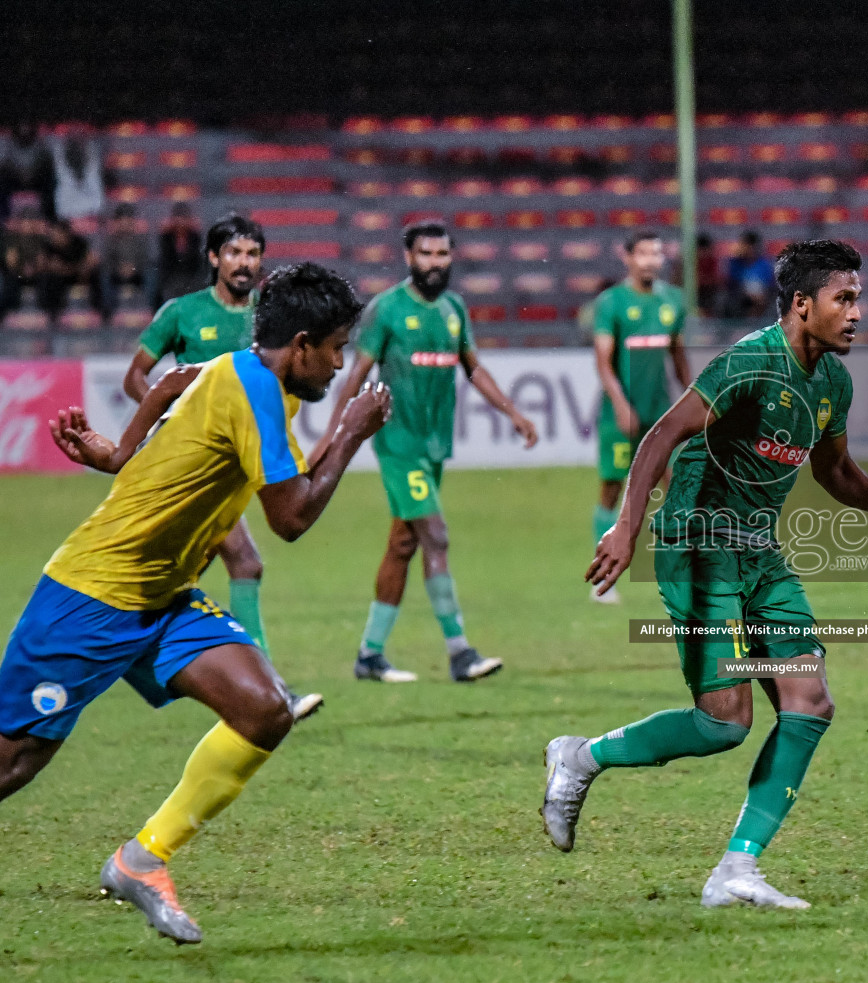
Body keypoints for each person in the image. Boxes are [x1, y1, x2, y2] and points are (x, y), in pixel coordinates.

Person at [542, 239, 868, 909]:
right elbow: (662, 434)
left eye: (858, 298)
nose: (855, 313)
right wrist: (625, 525)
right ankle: (580, 758)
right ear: (801, 304)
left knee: (809, 700)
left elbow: (835, 473)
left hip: (758, 550)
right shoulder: (750, 362)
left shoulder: (831, 383)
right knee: (724, 722)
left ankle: (736, 869)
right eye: (844, 299)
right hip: (694, 544)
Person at [0, 263, 388, 944]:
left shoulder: (241, 370)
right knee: (15, 760)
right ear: (300, 345)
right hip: (94, 592)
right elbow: (291, 517)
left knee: (264, 708)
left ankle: (140, 860)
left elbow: (175, 383)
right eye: (334, 347)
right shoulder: (260, 392)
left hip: (163, 599)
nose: (340, 363)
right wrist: (353, 432)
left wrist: (121, 454)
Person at [118, 216, 321, 718]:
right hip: (195, 471)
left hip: (239, 466)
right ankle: (271, 690)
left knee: (177, 575)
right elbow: (135, 377)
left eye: (253, 254)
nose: (244, 263)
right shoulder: (183, 313)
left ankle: (126, 653)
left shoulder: (268, 322)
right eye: (234, 253)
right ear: (213, 258)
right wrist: (170, 423)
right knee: (245, 563)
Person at [324, 219, 540, 684]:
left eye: (443, 254)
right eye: (426, 254)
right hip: (398, 443)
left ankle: (369, 654)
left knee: (403, 544)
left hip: (435, 445)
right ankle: (460, 652)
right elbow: (356, 374)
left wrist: (513, 413)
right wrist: (334, 436)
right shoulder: (387, 309)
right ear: (408, 257)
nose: (435, 263)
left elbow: (474, 368)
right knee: (435, 536)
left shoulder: (454, 308)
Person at [590, 230, 691, 604]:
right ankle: (605, 579)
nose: (651, 260)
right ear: (627, 257)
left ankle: (682, 574)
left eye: (656, 253)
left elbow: (678, 357)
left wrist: (694, 399)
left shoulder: (673, 301)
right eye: (644, 253)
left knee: (677, 486)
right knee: (612, 489)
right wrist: (619, 403)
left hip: (660, 414)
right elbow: (603, 361)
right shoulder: (612, 302)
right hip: (621, 416)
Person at [36, 217, 97, 321]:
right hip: (58, 277)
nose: (53, 236)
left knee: (96, 274)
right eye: (53, 233)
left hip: (78, 275)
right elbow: (41, 265)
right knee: (48, 278)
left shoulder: (79, 243)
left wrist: (68, 268)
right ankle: (52, 312)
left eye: (57, 233)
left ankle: (99, 310)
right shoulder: (48, 246)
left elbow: (90, 262)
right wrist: (53, 267)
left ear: (65, 234)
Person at [99, 201, 150, 317]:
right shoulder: (110, 240)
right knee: (104, 275)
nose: (125, 223)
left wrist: (133, 268)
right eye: (122, 219)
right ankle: (108, 312)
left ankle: (149, 308)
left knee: (151, 273)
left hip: (137, 273)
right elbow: (107, 261)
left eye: (128, 219)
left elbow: (145, 259)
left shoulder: (140, 239)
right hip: (116, 274)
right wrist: (119, 269)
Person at [155, 202, 203, 305]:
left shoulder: (194, 236)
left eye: (183, 218)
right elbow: (166, 256)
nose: (181, 222)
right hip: (171, 273)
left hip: (190, 272)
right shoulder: (167, 236)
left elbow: (195, 257)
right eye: (178, 218)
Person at [723, 230, 775, 319]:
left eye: (745, 245)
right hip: (740, 300)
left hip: (762, 301)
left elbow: (769, 287)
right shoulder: (735, 264)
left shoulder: (764, 265)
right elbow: (731, 285)